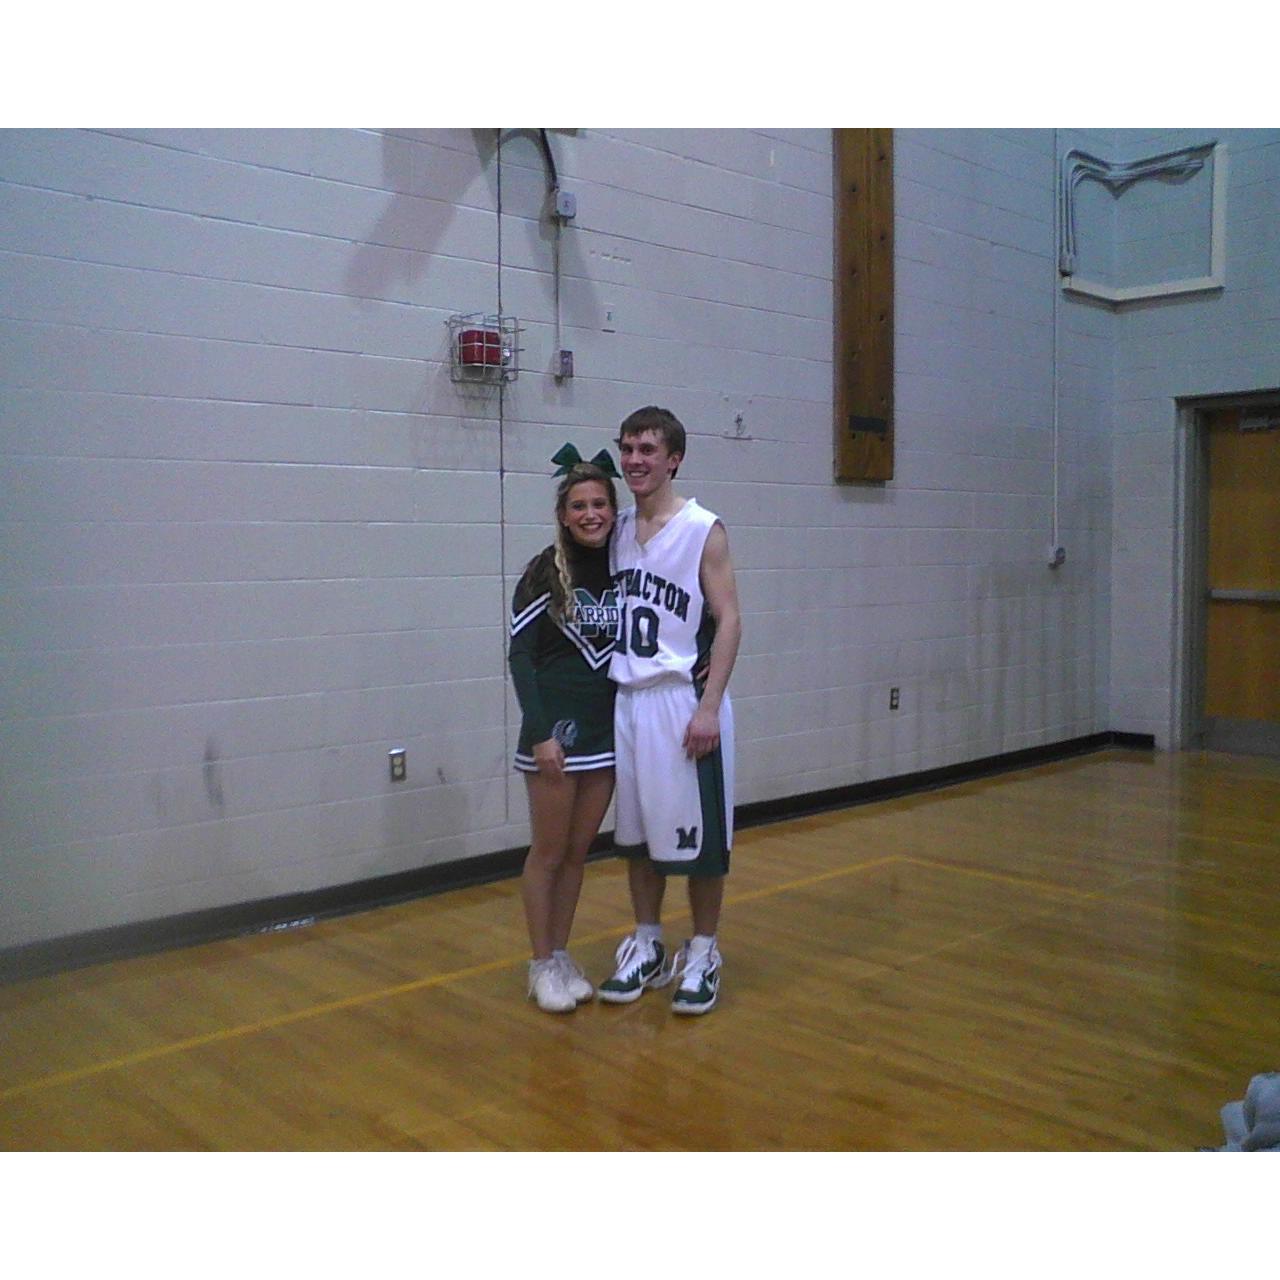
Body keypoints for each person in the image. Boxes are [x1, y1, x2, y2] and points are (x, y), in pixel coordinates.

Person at [597, 407, 742, 1015]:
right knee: (637, 839)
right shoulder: (617, 530)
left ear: (674, 459)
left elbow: (729, 619)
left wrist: (708, 707)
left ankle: (704, 951)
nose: (634, 461)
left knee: (700, 845)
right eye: (628, 449)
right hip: (629, 701)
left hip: (682, 702)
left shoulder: (703, 529)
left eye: (647, 450)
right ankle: (648, 944)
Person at [509, 445, 623, 1013]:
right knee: (549, 853)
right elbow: (520, 655)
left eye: (599, 503)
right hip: (555, 734)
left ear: (613, 509)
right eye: (579, 505)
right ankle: (538, 964)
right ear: (563, 514)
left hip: (605, 734)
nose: (590, 514)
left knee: (578, 854)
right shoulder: (543, 571)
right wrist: (538, 732)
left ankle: (559, 953)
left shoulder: (625, 570)